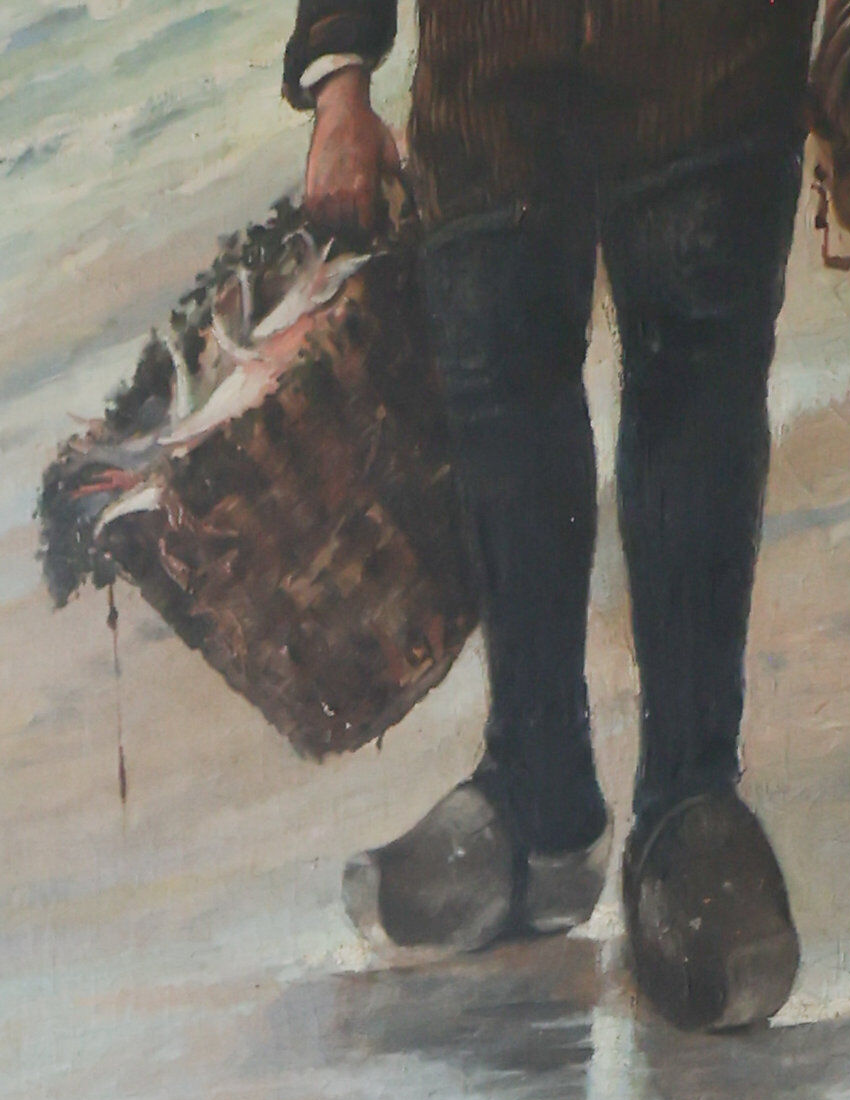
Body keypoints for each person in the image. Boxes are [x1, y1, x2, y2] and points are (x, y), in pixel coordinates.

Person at [284, 0, 815, 1026]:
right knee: (494, 373)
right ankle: (534, 802)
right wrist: (340, 78)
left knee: (698, 371)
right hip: (489, 71)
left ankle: (689, 804)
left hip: (714, 56)